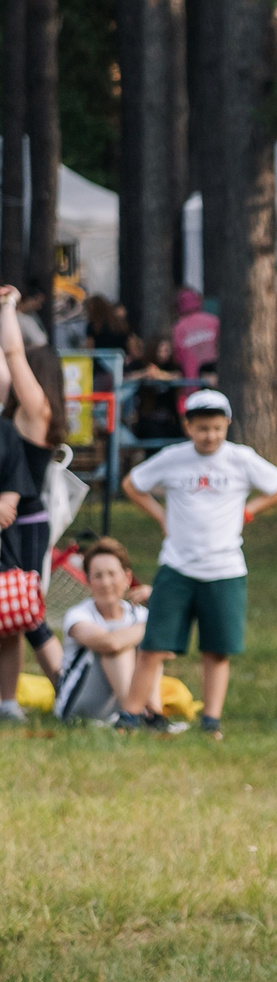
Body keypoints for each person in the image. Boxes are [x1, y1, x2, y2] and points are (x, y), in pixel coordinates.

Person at [120, 390, 277, 738]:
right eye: (202, 428)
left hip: (225, 569)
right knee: (154, 646)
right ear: (188, 426)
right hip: (177, 566)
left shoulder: (240, 459)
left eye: (216, 428)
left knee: (217, 649)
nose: (210, 435)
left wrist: (251, 510)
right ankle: (130, 716)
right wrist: (160, 516)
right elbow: (133, 484)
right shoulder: (173, 459)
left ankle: (211, 720)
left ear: (227, 424)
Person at [0, 288, 63, 719]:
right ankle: (7, 702)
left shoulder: (34, 410)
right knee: (11, 618)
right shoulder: (28, 416)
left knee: (25, 614)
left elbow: (13, 352)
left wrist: (8, 308)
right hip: (21, 521)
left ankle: (70, 686)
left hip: (21, 523)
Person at [56, 538, 149, 722]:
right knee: (115, 639)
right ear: (88, 581)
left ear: (127, 578)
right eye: (98, 576)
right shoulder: (77, 615)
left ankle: (153, 714)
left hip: (121, 701)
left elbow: (166, 651)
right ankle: (134, 715)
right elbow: (111, 643)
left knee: (150, 651)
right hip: (80, 705)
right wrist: (151, 627)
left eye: (111, 574)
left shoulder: (139, 613)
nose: (106, 583)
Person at [171, 287, 219, 378]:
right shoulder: (213, 320)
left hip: (192, 381)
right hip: (216, 378)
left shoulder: (179, 328)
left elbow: (177, 357)